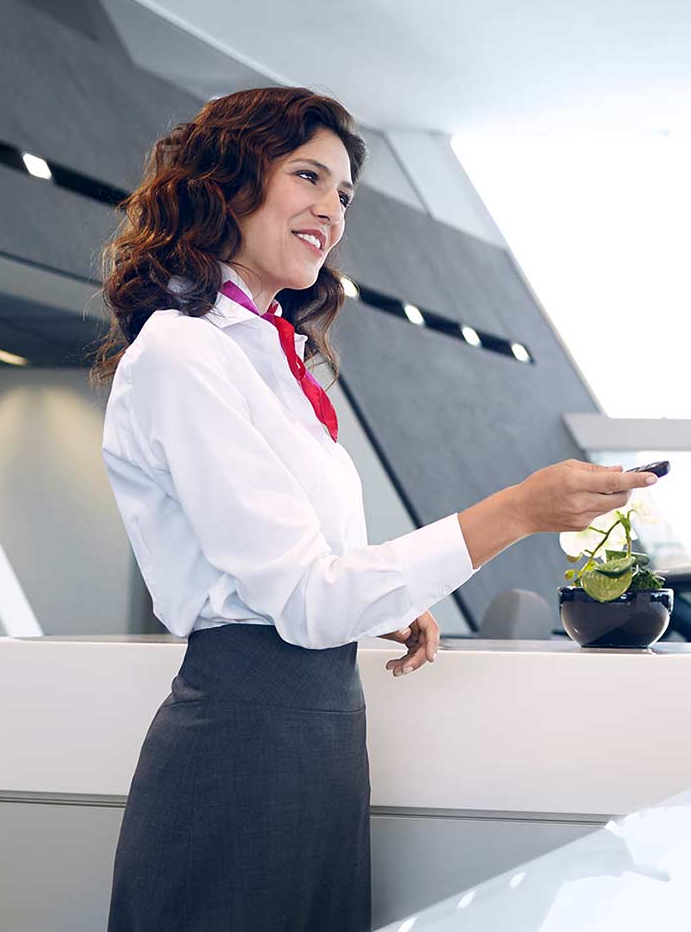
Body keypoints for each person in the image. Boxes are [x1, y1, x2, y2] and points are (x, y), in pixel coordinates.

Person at [91, 86, 655, 932]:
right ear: (228, 182)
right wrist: (516, 511)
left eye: (344, 194)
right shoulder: (182, 349)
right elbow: (307, 598)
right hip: (246, 737)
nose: (331, 209)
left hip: (318, 731)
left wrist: (383, 604)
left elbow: (309, 575)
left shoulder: (269, 354)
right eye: (308, 176)